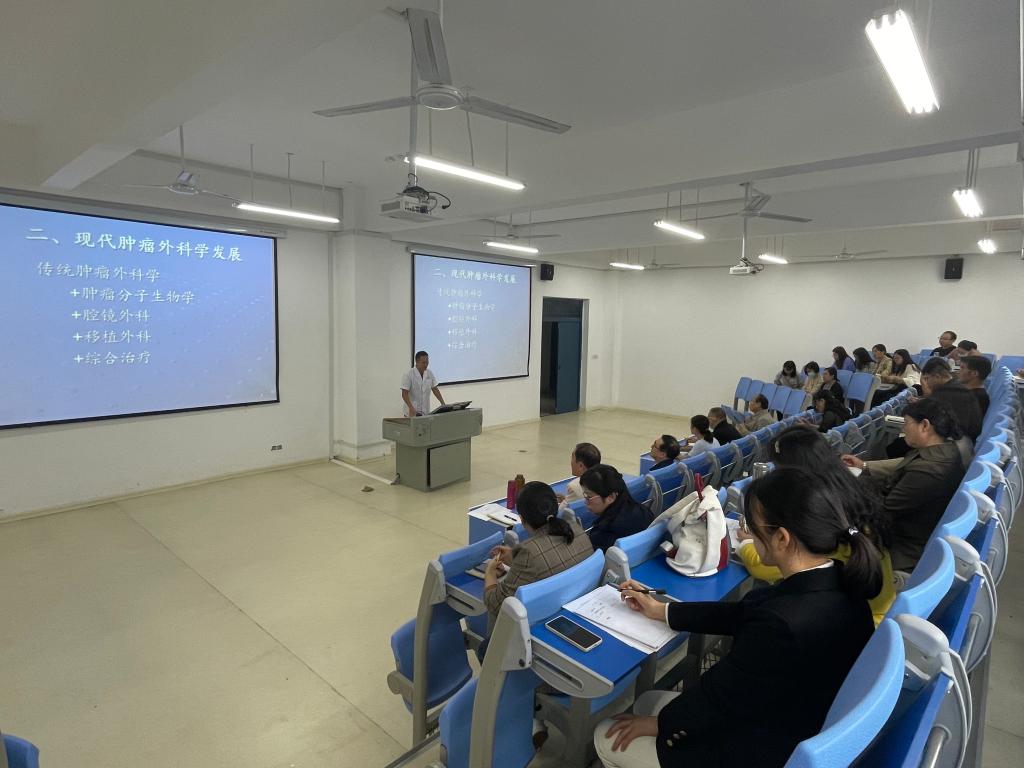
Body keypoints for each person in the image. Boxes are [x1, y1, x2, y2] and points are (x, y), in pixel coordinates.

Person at [594, 466, 879, 768]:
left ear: (782, 538)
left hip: (757, 746)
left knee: (606, 733)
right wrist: (661, 610)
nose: (748, 534)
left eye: (752, 526)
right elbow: (744, 614)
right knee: (648, 701)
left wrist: (660, 725)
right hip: (793, 717)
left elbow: (720, 698)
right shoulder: (838, 581)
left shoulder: (780, 624)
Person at [736, 425, 896, 625]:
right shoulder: (849, 493)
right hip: (872, 611)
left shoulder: (820, 516)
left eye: (778, 469)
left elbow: (771, 565)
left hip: (858, 626)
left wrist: (748, 543)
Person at [843, 398, 966, 580]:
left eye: (907, 423)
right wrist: (863, 468)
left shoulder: (928, 471)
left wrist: (849, 488)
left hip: (900, 546)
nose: (903, 428)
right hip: (907, 528)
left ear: (925, 426)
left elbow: (883, 511)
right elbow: (903, 467)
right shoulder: (946, 450)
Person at [483, 482, 593, 618]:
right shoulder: (576, 529)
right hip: (576, 607)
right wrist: (515, 557)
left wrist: (490, 572)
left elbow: (496, 605)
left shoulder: (530, 552)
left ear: (522, 519)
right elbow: (551, 559)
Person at [580, 464, 653, 552]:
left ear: (611, 497)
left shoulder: (601, 534)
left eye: (588, 496)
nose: (585, 501)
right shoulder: (644, 511)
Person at [400, 351, 444, 416]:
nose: (426, 365)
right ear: (417, 362)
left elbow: (435, 389)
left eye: (427, 362)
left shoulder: (429, 373)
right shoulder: (408, 374)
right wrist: (411, 408)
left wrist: (443, 404)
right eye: (423, 363)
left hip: (425, 411)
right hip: (411, 412)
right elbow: (404, 394)